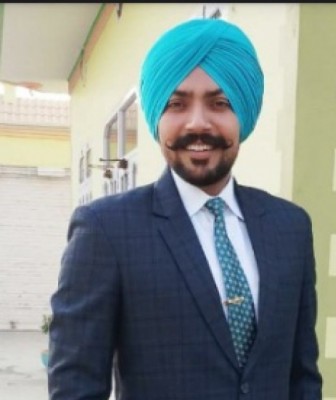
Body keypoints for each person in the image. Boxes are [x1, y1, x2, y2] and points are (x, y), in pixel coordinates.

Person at [48, 17, 322, 400]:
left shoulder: (290, 227)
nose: (197, 123)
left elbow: (303, 376)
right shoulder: (106, 230)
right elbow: (75, 388)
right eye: (177, 104)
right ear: (157, 117)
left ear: (243, 114)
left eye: (219, 103)